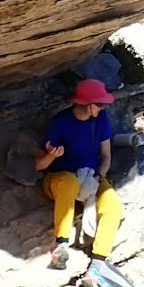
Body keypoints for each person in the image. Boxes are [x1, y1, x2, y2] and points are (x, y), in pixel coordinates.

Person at [34, 76, 123, 270]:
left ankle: (98, 262)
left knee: (112, 205)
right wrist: (51, 156)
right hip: (60, 178)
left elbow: (106, 156)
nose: (103, 108)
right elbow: (38, 165)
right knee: (69, 183)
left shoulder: (100, 119)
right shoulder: (61, 122)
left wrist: (98, 177)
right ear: (86, 104)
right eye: (99, 104)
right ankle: (61, 246)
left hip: (91, 175)